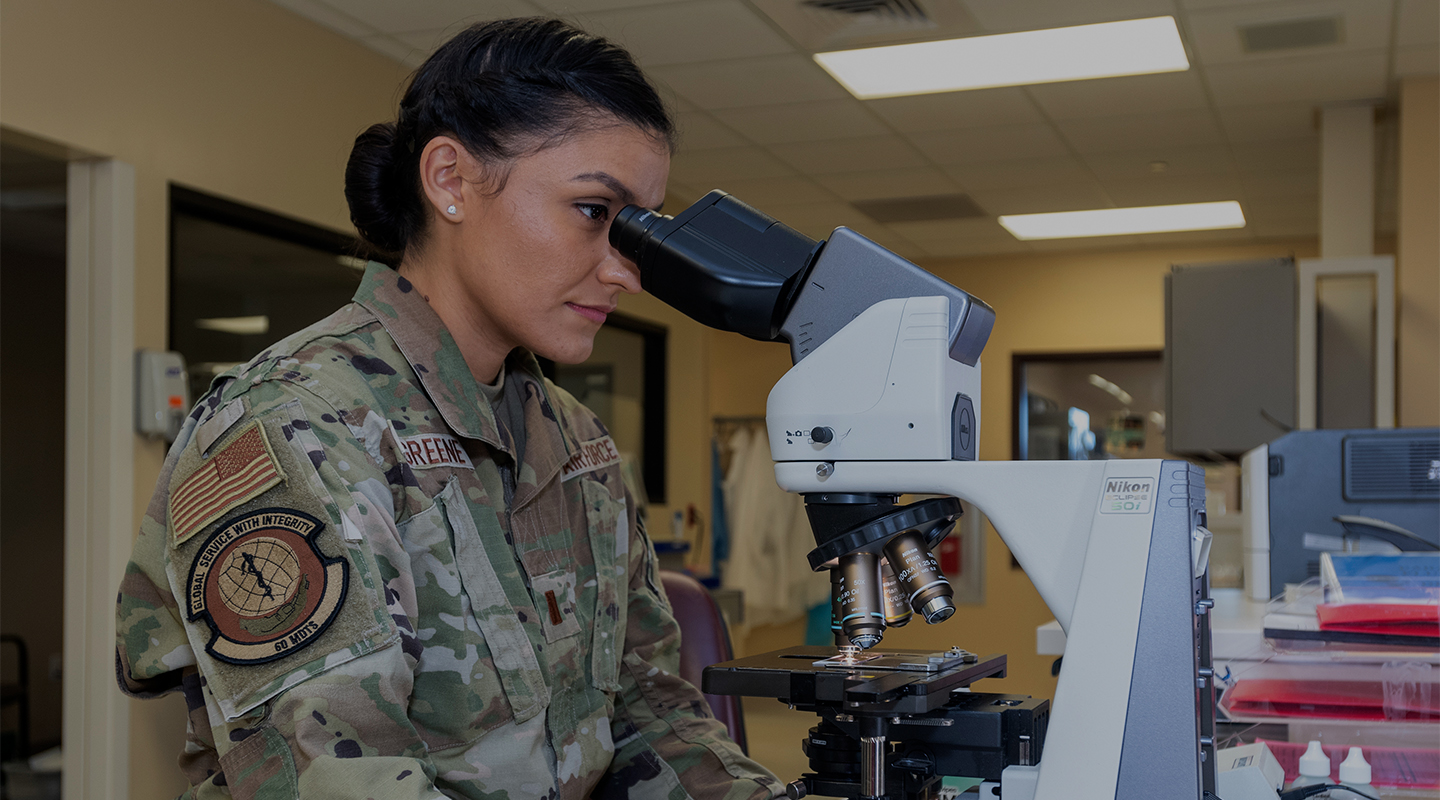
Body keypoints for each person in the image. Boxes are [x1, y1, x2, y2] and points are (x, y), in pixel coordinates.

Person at [115, 18, 782, 800]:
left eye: (640, 226)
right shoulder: (298, 424)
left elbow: (644, 709)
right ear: (450, 180)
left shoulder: (575, 441)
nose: (625, 270)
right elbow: (337, 779)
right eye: (595, 211)